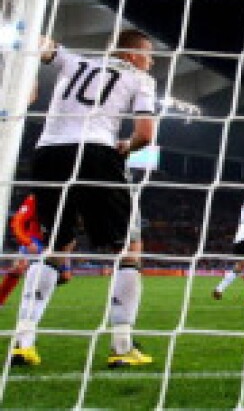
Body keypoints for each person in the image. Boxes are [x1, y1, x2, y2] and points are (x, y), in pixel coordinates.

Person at [11, 30, 157, 368]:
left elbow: (42, 43)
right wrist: (126, 147)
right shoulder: (139, 79)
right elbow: (146, 135)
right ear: (133, 56)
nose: (151, 64)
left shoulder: (75, 60)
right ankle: (122, 346)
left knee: (57, 245)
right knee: (129, 247)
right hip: (96, 151)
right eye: (148, 56)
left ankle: (23, 342)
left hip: (47, 154)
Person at [0, 196, 72, 307]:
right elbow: (17, 222)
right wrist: (27, 242)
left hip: (57, 242)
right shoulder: (33, 199)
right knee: (19, 267)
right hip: (35, 239)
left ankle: (37, 287)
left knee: (66, 277)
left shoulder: (69, 198)